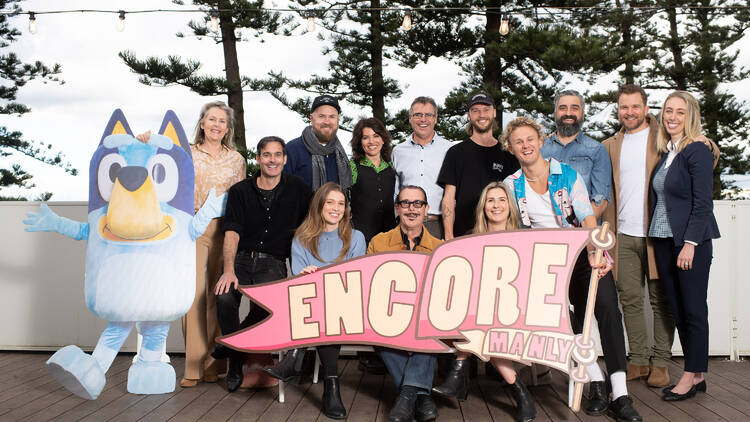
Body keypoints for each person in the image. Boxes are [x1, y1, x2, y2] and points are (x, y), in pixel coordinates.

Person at [502, 117, 642, 422]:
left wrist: (597, 251)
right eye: (518, 142)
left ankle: (619, 392)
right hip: (543, 263)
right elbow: (513, 230)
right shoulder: (510, 185)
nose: (525, 145)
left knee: (606, 307)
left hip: (582, 253)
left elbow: (587, 217)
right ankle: (596, 380)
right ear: (510, 148)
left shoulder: (567, 174)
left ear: (540, 141)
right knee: (562, 319)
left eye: (530, 139)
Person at [135, 101, 246, 389]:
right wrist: (145, 143)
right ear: (202, 123)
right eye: (211, 119)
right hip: (192, 227)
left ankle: (213, 366)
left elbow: (241, 199)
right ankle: (195, 367)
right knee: (193, 296)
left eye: (222, 121)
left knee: (218, 296)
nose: (216, 125)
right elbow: (158, 169)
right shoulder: (185, 153)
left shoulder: (236, 160)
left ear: (228, 128)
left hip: (226, 230)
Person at [213, 136, 312, 392]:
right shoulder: (240, 191)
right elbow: (232, 233)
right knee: (224, 297)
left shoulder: (299, 189)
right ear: (258, 158)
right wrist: (228, 270)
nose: (272, 160)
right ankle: (235, 362)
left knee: (271, 304)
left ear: (285, 159)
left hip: (273, 262)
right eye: (267, 155)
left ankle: (230, 345)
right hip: (242, 258)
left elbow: (310, 227)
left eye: (277, 155)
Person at [263, 182, 366, 419]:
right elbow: (300, 280)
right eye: (330, 202)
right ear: (319, 205)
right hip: (311, 305)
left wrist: (322, 276)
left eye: (341, 203)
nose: (336, 208)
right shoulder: (302, 237)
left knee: (327, 303)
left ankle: (294, 358)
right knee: (316, 301)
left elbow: (355, 277)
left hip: (347, 305)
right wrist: (307, 276)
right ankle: (332, 387)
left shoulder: (356, 237)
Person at [601, 85, 676, 387]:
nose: (629, 112)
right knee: (629, 299)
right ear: (618, 109)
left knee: (660, 299)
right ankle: (639, 360)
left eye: (635, 106)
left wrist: (707, 144)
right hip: (623, 234)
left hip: (657, 233)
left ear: (646, 108)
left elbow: (701, 149)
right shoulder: (610, 145)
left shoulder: (664, 137)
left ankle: (661, 362)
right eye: (623, 107)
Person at [647, 91, 720, 402]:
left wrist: (689, 244)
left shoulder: (697, 151)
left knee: (693, 309)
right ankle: (698, 372)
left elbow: (703, 204)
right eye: (668, 111)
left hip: (690, 243)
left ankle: (690, 374)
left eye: (679, 112)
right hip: (664, 240)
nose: (672, 117)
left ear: (690, 117)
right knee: (678, 309)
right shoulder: (669, 153)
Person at [450, 181, 537, 422]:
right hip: (476, 307)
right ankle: (521, 393)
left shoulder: (524, 237)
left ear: (510, 205)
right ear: (483, 207)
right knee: (480, 321)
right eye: (490, 200)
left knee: (483, 324)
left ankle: (458, 370)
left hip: (513, 309)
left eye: (501, 200)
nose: (496, 205)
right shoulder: (470, 238)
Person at [368, 185, 441, 422]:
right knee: (375, 331)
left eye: (417, 203)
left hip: (425, 315)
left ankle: (407, 395)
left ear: (427, 210)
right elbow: (368, 285)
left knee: (431, 327)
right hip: (388, 314)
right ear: (397, 208)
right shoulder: (378, 243)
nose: (412, 209)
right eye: (405, 203)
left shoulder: (441, 248)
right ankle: (421, 397)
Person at [438, 91, 519, 240]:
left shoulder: (508, 154)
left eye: (486, 109)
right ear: (469, 116)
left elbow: (514, 198)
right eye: (476, 111)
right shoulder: (456, 153)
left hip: (500, 235)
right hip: (463, 235)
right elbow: (449, 198)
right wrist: (449, 235)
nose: (481, 115)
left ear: (494, 112)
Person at [391, 96, 454, 239]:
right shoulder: (398, 151)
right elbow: (395, 191)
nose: (423, 119)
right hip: (405, 225)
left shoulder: (450, 150)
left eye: (428, 115)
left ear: (436, 118)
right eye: (418, 115)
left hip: (438, 226)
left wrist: (449, 232)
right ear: (410, 118)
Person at [283, 94, 352, 191]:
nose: (327, 121)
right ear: (311, 118)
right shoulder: (292, 150)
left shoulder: (340, 154)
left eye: (332, 116)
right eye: (321, 116)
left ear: (338, 119)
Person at [349, 117, 397, 243]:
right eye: (365, 138)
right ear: (360, 142)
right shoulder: (352, 166)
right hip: (361, 238)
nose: (371, 141)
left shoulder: (391, 166)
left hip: (390, 236)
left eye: (376, 136)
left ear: (383, 139)